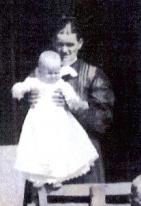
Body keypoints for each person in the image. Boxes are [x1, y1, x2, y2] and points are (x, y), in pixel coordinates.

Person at [31, 17, 114, 183]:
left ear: (80, 44)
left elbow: (103, 121)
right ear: (53, 43)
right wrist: (30, 103)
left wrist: (75, 108)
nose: (64, 50)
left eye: (69, 45)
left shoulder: (92, 75)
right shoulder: (38, 75)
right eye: (59, 44)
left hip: (84, 160)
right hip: (50, 159)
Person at [12, 50, 98, 188]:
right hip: (39, 123)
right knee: (39, 149)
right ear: (39, 72)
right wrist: (19, 91)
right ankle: (40, 177)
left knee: (58, 150)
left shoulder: (61, 84)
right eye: (49, 73)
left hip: (58, 123)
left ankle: (57, 178)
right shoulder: (35, 82)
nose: (53, 76)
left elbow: (72, 98)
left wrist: (78, 103)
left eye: (56, 72)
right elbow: (20, 88)